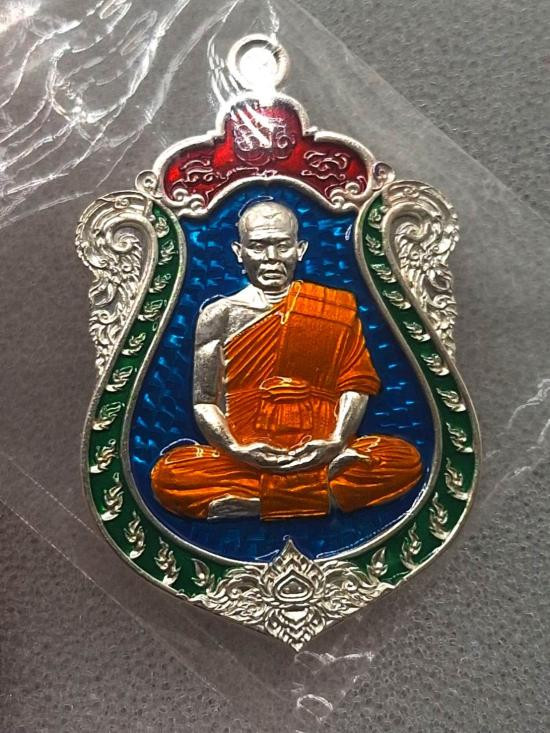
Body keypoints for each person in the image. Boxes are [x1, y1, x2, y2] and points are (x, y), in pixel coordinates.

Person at [151, 201, 422, 520]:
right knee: (170, 476)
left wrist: (336, 441)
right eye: (258, 246)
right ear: (239, 252)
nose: (271, 257)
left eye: (282, 245)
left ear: (299, 249)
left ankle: (261, 503)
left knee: (402, 459)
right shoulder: (218, 315)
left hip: (323, 450)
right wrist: (237, 449)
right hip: (249, 455)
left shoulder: (335, 307)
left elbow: (356, 384)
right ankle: (321, 496)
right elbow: (204, 401)